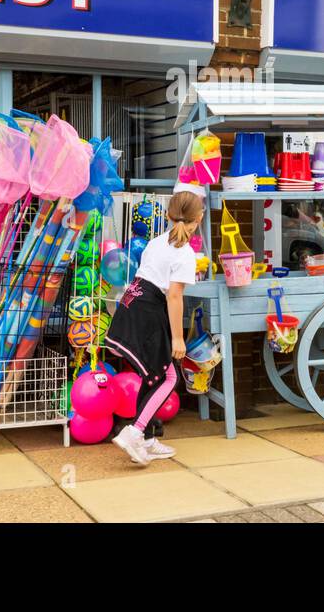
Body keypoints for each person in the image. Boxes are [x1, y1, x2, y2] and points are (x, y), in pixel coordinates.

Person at [106, 187, 203, 465]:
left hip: (131, 305)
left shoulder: (156, 242)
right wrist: (177, 339)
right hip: (148, 313)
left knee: (152, 377)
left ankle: (146, 439)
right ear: (197, 220)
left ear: (170, 216)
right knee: (168, 377)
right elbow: (173, 296)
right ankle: (134, 433)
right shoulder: (185, 253)